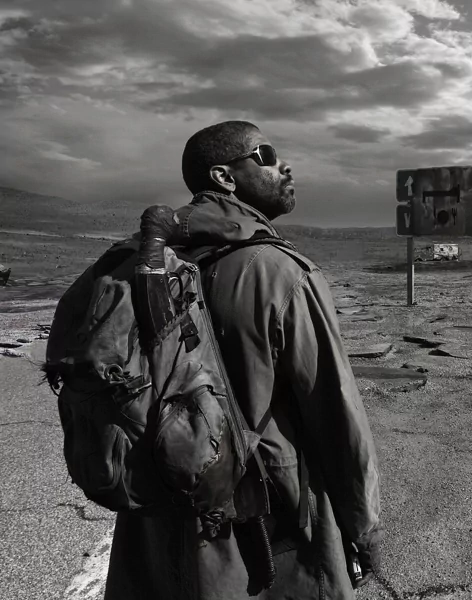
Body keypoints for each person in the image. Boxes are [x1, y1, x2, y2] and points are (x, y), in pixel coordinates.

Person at [104, 121, 384, 599]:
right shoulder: (278, 271)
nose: (284, 165)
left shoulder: (136, 265)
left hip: (155, 515)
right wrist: (364, 529)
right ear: (223, 177)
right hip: (263, 523)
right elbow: (335, 416)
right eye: (267, 154)